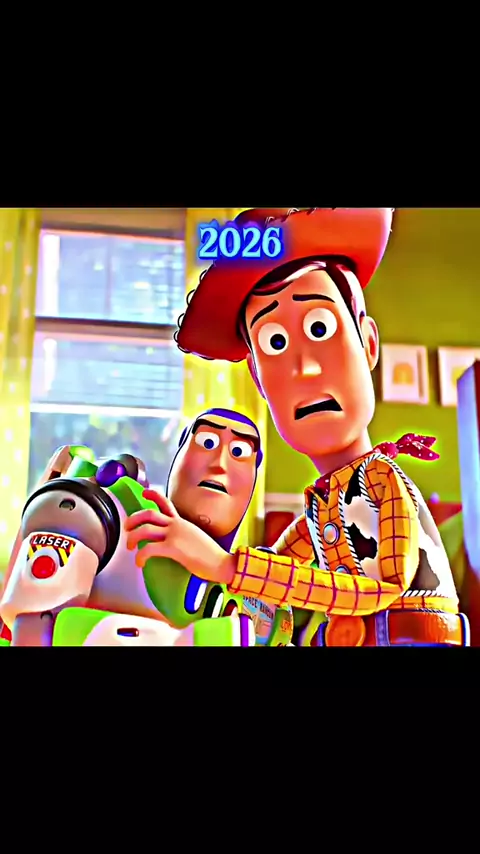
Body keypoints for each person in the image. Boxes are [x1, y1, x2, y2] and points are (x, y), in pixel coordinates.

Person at [124, 208, 469, 647]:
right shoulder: (322, 506)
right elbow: (271, 576)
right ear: (259, 381)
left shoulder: (381, 482)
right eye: (275, 343)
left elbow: (382, 589)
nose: (304, 367)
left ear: (368, 344)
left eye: (319, 327)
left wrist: (226, 567)